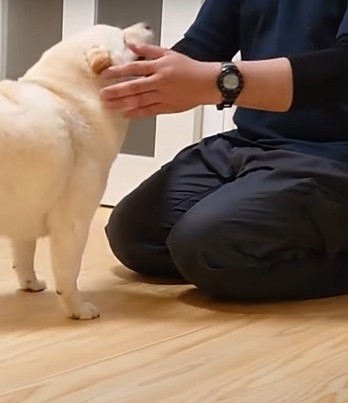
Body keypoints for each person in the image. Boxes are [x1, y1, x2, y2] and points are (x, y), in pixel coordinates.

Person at [100, 0, 348, 301]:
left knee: (207, 249)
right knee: (134, 236)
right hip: (251, 141)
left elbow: (341, 71)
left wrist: (218, 82)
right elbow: (204, 43)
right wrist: (142, 77)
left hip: (333, 153)